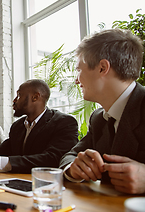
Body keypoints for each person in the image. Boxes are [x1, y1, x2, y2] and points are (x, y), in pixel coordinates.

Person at [59, 29, 145, 194]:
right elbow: (70, 155)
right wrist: (74, 168)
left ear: (102, 68)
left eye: (79, 70)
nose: (76, 80)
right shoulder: (98, 118)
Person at [0, 79, 79, 173]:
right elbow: (0, 151)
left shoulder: (64, 123)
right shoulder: (18, 126)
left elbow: (52, 159)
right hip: (17, 183)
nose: (14, 100)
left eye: (19, 95)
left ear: (35, 97)